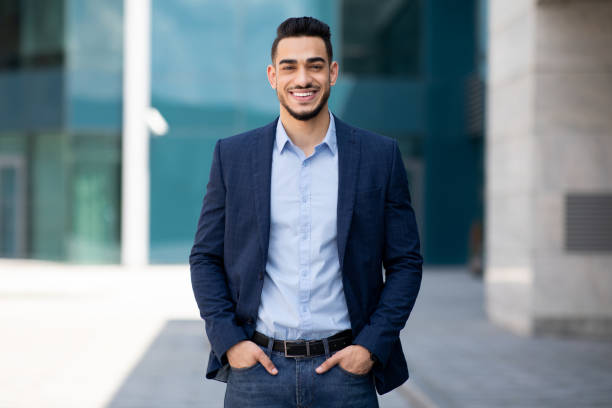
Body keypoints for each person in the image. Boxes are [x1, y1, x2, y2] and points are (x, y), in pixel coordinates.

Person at [189, 16, 422, 408]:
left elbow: (405, 262)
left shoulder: (379, 157)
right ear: (272, 76)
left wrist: (371, 346)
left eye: (315, 65)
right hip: (257, 374)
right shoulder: (233, 157)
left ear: (332, 73)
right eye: (289, 67)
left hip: (345, 374)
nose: (303, 79)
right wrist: (229, 342)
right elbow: (205, 257)